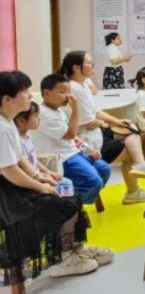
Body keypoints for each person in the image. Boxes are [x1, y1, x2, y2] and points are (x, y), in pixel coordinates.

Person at [0, 71, 112, 283]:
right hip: (9, 195)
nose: (30, 95)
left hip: (16, 185)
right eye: (25, 91)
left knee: (70, 197)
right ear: (7, 99)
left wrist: (40, 176)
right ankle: (62, 257)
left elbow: (20, 157)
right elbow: (9, 170)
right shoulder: (3, 128)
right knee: (63, 204)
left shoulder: (8, 123)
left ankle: (75, 248)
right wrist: (39, 186)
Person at [60, 51, 145, 204]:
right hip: (86, 142)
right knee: (131, 149)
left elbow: (97, 111)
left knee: (131, 128)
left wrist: (118, 121)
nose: (92, 66)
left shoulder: (83, 85)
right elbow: (90, 122)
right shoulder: (75, 89)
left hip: (96, 133)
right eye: (89, 63)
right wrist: (106, 124)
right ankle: (134, 187)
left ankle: (140, 167)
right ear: (76, 67)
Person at [31, 73, 112, 205]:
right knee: (94, 182)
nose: (68, 96)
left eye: (69, 92)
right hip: (62, 159)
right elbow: (69, 134)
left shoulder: (58, 111)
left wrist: (88, 150)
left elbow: (73, 138)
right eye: (62, 92)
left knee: (105, 169)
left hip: (74, 153)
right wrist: (75, 109)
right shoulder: (43, 113)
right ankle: (71, 206)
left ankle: (73, 200)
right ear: (46, 93)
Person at [14, 101, 65, 186]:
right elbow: (23, 169)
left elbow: (34, 160)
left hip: (37, 175)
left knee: (64, 181)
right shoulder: (18, 142)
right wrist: (43, 176)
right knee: (64, 184)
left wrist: (48, 172)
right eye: (35, 116)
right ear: (21, 121)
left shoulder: (27, 137)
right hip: (30, 180)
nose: (39, 119)